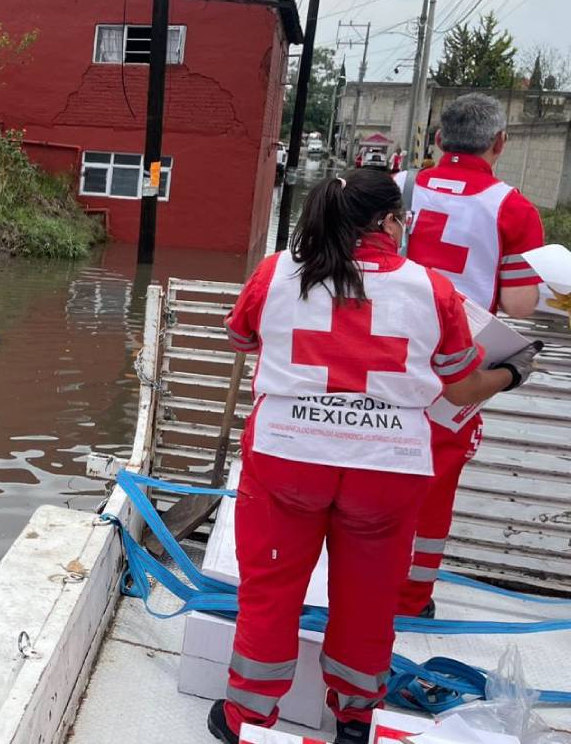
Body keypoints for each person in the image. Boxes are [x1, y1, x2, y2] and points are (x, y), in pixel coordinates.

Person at [209, 170, 541, 744]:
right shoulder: (432, 289)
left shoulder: (276, 273)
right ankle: (357, 719)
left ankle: (248, 719)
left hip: (288, 459)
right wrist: (512, 371)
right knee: (368, 601)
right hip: (386, 471)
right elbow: (460, 388)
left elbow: (239, 337)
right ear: (390, 223)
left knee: (270, 591)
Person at [394, 93, 544, 619]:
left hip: (384, 350)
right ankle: (411, 600)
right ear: (500, 144)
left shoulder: (397, 188)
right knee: (433, 482)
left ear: (438, 139)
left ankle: (349, 577)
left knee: (366, 460)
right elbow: (521, 302)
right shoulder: (513, 206)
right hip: (456, 364)